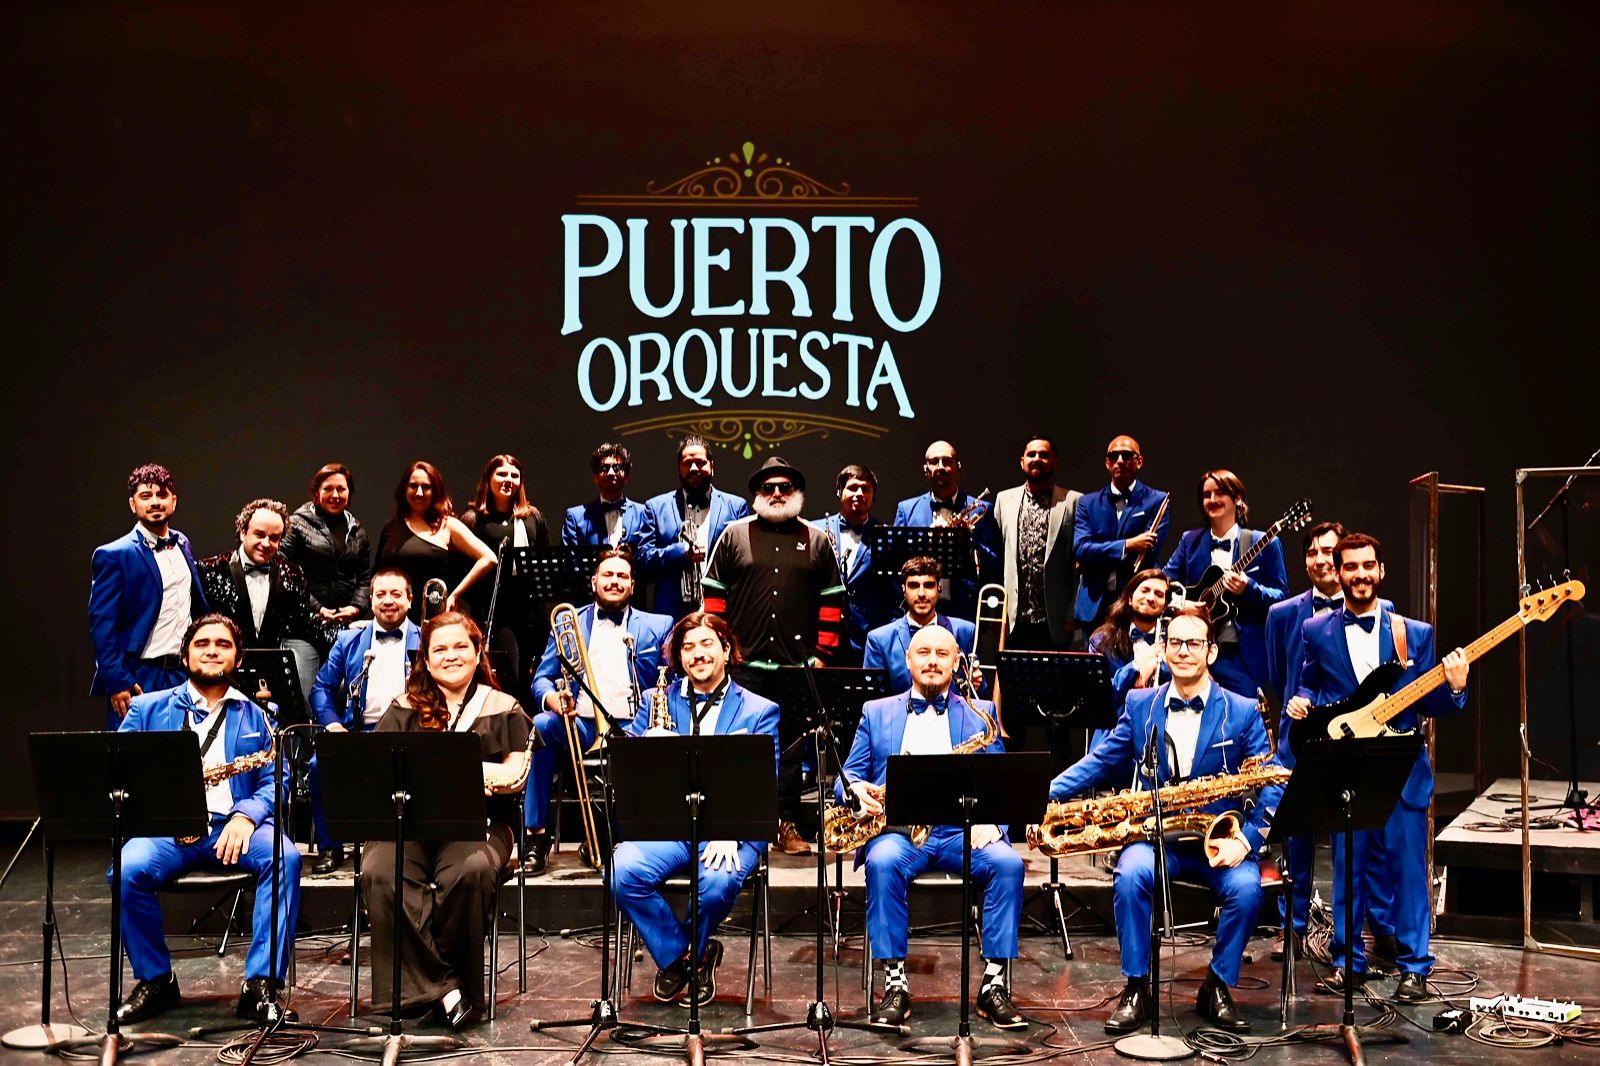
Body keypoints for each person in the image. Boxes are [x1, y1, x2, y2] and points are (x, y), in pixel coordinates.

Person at [1049, 606, 1283, 1035]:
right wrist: (1045, 792)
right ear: (1163, 648)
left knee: (1248, 890)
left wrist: (1246, 841)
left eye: (1194, 643)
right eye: (1175, 642)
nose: (1184, 651)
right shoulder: (1140, 704)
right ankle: (1137, 986)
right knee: (1131, 872)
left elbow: (1272, 783)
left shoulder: (1245, 710)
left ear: (1211, 652)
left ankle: (1217, 984)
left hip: (1220, 840)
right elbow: (1102, 760)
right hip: (1157, 838)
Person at [1285, 533, 1469, 1003]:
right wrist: (1302, 702)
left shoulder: (1416, 633)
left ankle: (1414, 968)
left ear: (1381, 571)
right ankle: (1349, 962)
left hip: (1401, 764)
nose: (1360, 574)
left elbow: (1433, 705)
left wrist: (1455, 688)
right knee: (1348, 869)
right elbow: (1310, 683)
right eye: (1351, 566)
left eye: (1368, 565)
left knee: (1409, 871)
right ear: (1338, 571)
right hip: (1346, 762)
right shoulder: (1316, 630)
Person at [111, 614, 300, 1025]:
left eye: (223, 644)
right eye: (202, 643)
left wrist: (246, 816)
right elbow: (120, 774)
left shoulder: (261, 715)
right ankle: (156, 979)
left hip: (235, 827)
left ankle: (262, 984)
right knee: (125, 869)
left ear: (237, 657)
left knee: (285, 857)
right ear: (185, 653)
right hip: (168, 828)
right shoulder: (146, 709)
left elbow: (276, 781)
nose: (212, 649)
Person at [840, 624, 1025, 1030]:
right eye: (923, 652)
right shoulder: (877, 711)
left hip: (963, 830)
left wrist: (990, 819)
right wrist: (856, 790)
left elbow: (1001, 782)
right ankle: (895, 984)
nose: (932, 661)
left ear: (956, 662)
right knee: (882, 862)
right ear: (908, 659)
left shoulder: (983, 715)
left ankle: (993, 986)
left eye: (942, 654)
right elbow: (847, 775)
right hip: (898, 831)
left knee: (1009, 865)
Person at [359, 612, 533, 1029]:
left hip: (481, 825)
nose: (450, 655)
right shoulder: (403, 708)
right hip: (409, 824)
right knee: (380, 870)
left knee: (469, 871)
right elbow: (380, 775)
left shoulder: (504, 706)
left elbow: (513, 776)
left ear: (478, 653)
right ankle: (446, 989)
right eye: (440, 648)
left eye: (460, 647)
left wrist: (447, 774)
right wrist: (476, 775)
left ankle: (432, 987)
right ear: (426, 658)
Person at [612, 612, 779, 1006]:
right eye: (688, 647)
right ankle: (689, 957)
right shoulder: (657, 701)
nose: (697, 654)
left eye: (707, 644)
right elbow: (630, 771)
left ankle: (683, 955)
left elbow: (764, 785)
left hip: (730, 828)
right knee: (621, 871)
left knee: (718, 883)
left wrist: (731, 830)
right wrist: (645, 747)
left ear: (726, 650)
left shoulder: (760, 710)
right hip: (669, 825)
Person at [1262, 520, 1400, 960]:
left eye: (1329, 552)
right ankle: (1294, 927)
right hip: (1301, 743)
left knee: (1367, 842)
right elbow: (1277, 677)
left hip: (1359, 743)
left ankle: (1378, 928)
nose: (1321, 560)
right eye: (1312, 553)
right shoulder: (1282, 614)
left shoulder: (1386, 612)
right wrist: (1298, 706)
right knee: (1297, 841)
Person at [702, 455, 845, 854]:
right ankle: (739, 825)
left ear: (796, 493)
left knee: (790, 750)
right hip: (743, 665)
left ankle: (785, 825)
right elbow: (713, 594)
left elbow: (832, 599)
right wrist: (721, 651)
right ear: (757, 495)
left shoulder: (816, 539)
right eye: (769, 488)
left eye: (784, 487)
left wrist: (821, 656)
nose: (777, 493)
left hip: (797, 667)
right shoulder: (733, 535)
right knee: (739, 747)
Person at [523, 547, 673, 874]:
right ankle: (536, 837)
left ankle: (614, 838)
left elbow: (670, 683)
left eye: (622, 576)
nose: (614, 581)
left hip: (634, 727)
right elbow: (542, 679)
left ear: (633, 585)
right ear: (594, 581)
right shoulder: (568, 620)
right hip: (582, 725)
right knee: (541, 726)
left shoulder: (658, 625)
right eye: (608, 575)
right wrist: (553, 700)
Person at [307, 568, 421, 874]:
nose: (388, 601)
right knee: (319, 766)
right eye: (380, 594)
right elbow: (321, 688)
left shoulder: (426, 639)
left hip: (411, 736)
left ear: (410, 600)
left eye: (396, 594)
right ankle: (331, 849)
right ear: (370, 601)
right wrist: (332, 724)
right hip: (359, 733)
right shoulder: (349, 639)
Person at [89, 463, 209, 728]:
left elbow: (194, 607)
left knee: (187, 755)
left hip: (184, 674)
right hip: (140, 676)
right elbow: (102, 625)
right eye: (146, 496)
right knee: (137, 759)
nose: (155, 502)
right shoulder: (114, 554)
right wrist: (117, 679)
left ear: (173, 502)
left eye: (162, 495)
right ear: (133, 504)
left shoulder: (183, 543)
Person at [1162, 469, 1287, 698]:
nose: (1212, 500)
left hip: (1242, 657)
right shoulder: (1190, 541)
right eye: (1206, 495)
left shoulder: (1264, 542)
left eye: (1220, 493)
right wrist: (1183, 606)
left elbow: (1281, 598)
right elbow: (1161, 583)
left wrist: (1249, 587)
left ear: (1237, 499)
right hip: (1195, 650)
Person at [198, 497, 334, 701]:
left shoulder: (292, 574)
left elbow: (304, 623)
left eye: (274, 538)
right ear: (243, 532)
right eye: (259, 535)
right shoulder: (209, 571)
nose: (266, 544)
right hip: (222, 676)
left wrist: (345, 632)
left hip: (273, 680)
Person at [461, 453, 552, 689]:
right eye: (501, 474)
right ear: (488, 478)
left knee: (529, 679)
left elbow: (543, 561)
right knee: (504, 679)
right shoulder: (474, 519)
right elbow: (462, 569)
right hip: (494, 612)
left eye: (514, 475)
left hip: (530, 613)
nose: (508, 479)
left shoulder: (533, 517)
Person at [638, 435, 749, 619]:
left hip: (722, 614)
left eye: (700, 462)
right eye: (687, 463)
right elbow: (642, 563)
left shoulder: (736, 507)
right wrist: (681, 553)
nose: (694, 468)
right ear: (678, 468)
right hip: (671, 618)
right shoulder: (656, 507)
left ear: (712, 466)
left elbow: (744, 566)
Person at [373, 461, 497, 623]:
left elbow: (489, 558)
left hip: (433, 616)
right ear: (404, 489)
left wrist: (455, 595)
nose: (419, 492)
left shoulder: (448, 525)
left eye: (426, 487)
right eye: (413, 486)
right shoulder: (392, 526)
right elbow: (377, 573)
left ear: (435, 491)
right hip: (393, 616)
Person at [892, 440, 1001, 619]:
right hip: (919, 608)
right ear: (926, 469)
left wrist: (968, 539)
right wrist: (926, 540)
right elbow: (896, 562)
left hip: (965, 607)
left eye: (947, 461)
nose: (940, 467)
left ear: (958, 467)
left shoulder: (983, 508)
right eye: (934, 461)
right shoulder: (906, 509)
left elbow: (996, 562)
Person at [1073, 436, 1172, 631]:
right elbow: (1081, 549)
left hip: (1137, 602)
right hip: (1094, 603)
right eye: (1113, 455)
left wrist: (1096, 554)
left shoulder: (1158, 500)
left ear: (1139, 461)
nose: (1119, 460)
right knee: (1094, 661)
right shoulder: (1087, 502)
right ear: (1107, 462)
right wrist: (1128, 545)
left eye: (1126, 455)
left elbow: (1148, 552)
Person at [994, 435, 1082, 650]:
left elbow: (1080, 565)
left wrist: (1074, 610)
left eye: (1044, 455)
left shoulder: (1074, 500)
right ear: (1022, 461)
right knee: (1015, 682)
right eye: (1031, 454)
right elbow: (996, 559)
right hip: (1015, 617)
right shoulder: (1003, 500)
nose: (1037, 459)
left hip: (1056, 618)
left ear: (1054, 462)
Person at [863, 556, 978, 695]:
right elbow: (874, 703)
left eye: (928, 585)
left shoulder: (965, 631)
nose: (922, 593)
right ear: (903, 590)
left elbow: (979, 694)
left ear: (939, 589)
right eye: (914, 585)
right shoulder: (879, 640)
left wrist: (977, 683)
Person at [815, 464, 893, 666]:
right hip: (821, 637)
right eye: (852, 487)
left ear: (873, 495)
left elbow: (893, 594)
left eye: (865, 489)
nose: (859, 493)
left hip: (867, 639)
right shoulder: (815, 530)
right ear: (839, 491)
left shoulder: (885, 535)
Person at [281, 462, 372, 628]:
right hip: (303, 621)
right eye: (328, 489)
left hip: (345, 623)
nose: (335, 495)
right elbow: (283, 572)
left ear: (350, 493)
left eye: (341, 489)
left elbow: (364, 579)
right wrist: (317, 608)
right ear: (317, 492)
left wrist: (356, 608)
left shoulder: (358, 533)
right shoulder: (295, 525)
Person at [1086, 568, 1171, 715]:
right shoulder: (1101, 641)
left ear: (1164, 607)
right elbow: (1101, 695)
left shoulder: (1174, 641)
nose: (1151, 598)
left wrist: (1156, 665)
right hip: (1115, 727)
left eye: (1159, 594)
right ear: (1130, 599)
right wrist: (1137, 665)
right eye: (1145, 590)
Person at [561, 442, 650, 552]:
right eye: (604, 468)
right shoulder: (575, 517)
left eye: (617, 468)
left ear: (627, 476)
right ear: (595, 477)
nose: (611, 473)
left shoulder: (643, 514)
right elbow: (570, 563)